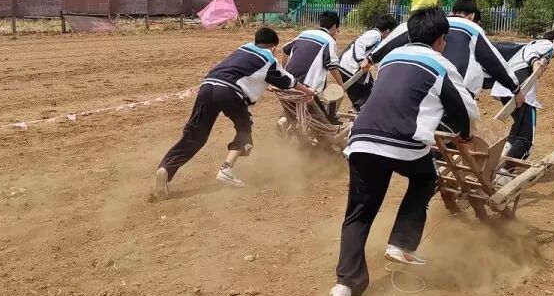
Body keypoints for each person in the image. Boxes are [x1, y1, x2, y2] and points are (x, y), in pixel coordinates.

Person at [331, 7, 479, 296]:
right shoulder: (440, 64)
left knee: (359, 213)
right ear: (440, 39)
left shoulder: (390, 59)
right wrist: (464, 134)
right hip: (403, 141)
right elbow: (464, 109)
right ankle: (401, 242)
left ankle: (345, 286)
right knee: (426, 179)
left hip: (362, 140)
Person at [154, 27, 314, 197]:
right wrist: (308, 90)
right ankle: (226, 169)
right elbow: (288, 80)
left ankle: (166, 168)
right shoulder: (269, 59)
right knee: (244, 129)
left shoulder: (242, 49)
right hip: (230, 92)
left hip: (207, 87)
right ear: (273, 46)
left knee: (195, 135)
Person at [361, 0, 524, 102]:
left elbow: (400, 34)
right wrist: (515, 88)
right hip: (457, 94)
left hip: (419, 89)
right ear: (473, 16)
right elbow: (493, 61)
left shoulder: (432, 22)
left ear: (453, 11)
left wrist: (371, 58)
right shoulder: (472, 28)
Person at [490, 30, 554, 183]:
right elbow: (532, 55)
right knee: (526, 140)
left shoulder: (528, 45)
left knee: (516, 133)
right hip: (522, 92)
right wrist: (535, 63)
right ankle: (503, 174)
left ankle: (499, 164)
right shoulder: (548, 45)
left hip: (506, 89)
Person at [281, 10, 343, 123]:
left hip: (288, 83)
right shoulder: (329, 41)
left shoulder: (304, 34)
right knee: (325, 112)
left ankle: (284, 119)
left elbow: (285, 49)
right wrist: (342, 85)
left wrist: (284, 70)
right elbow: (332, 66)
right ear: (335, 26)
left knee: (293, 105)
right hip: (308, 88)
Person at [336, 14, 398, 110]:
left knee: (364, 93)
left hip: (348, 67)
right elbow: (359, 44)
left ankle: (356, 110)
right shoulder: (375, 34)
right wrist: (361, 61)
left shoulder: (376, 36)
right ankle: (358, 110)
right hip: (351, 67)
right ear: (387, 31)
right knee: (372, 92)